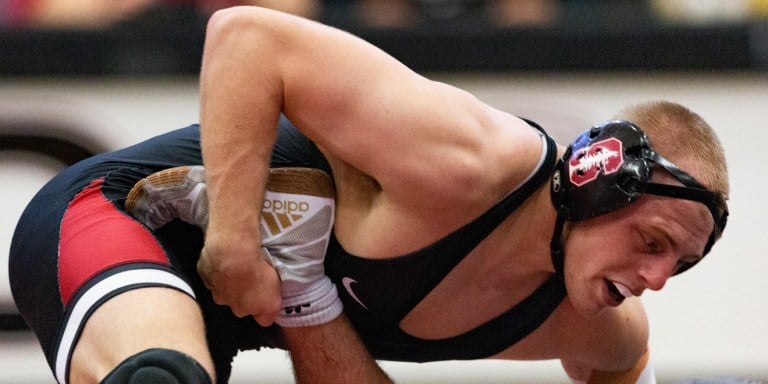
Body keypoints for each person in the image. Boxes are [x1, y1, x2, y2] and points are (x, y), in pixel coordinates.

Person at [8, 5, 728, 384]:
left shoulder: (602, 331)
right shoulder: (469, 161)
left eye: (678, 265)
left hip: (262, 295)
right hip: (132, 216)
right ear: (596, 178)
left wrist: (300, 293)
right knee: (159, 381)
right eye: (652, 242)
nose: (656, 280)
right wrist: (233, 239)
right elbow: (246, 37)